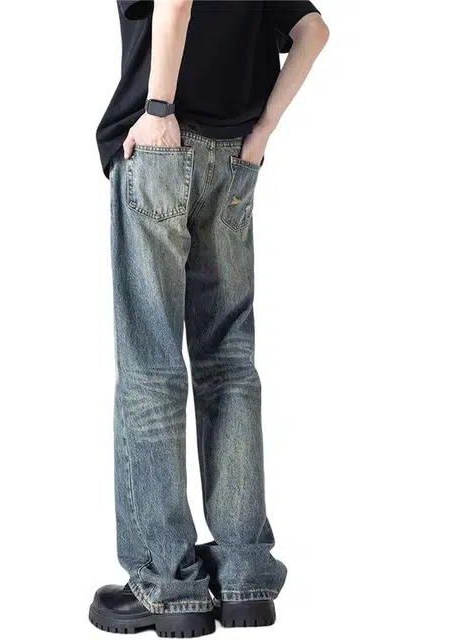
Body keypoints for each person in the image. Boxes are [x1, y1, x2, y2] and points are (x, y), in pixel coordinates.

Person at [89, 1, 329, 636]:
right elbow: (312, 30)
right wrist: (263, 132)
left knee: (151, 367)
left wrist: (159, 108)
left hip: (161, 146)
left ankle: (168, 582)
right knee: (229, 365)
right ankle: (244, 575)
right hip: (234, 157)